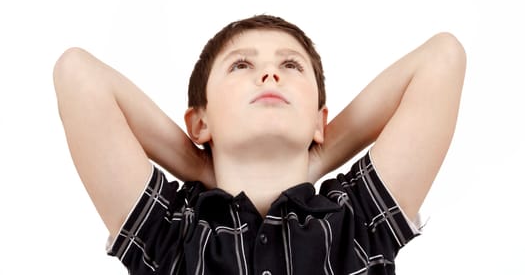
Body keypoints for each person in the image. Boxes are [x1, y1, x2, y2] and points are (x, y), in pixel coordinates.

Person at [53, 15, 466, 274]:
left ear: (319, 121)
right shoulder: (172, 233)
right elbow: (78, 75)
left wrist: (317, 158)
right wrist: (198, 167)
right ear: (200, 122)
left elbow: (442, 59)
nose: (270, 74)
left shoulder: (354, 223)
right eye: (242, 65)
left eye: (290, 64)